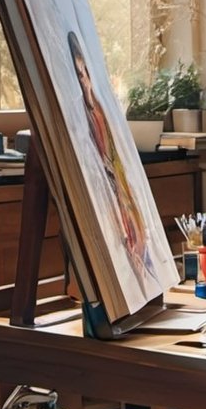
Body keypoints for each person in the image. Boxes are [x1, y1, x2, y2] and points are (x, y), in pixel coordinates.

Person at [67, 31, 157, 285]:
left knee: (136, 244)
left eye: (85, 71)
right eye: (79, 74)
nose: (84, 79)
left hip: (118, 186)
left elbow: (112, 157)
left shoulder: (99, 109)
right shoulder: (76, 116)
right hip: (103, 190)